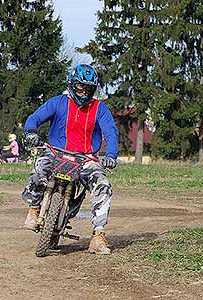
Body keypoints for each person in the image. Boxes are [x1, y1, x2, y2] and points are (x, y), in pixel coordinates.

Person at [21, 64, 118, 255]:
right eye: (80, 86)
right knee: (39, 167)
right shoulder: (57, 102)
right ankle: (33, 208)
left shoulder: (100, 108)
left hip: (86, 159)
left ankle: (98, 236)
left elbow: (111, 132)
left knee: (103, 185)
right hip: (55, 153)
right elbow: (35, 118)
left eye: (89, 88)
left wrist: (111, 156)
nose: (84, 91)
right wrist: (31, 131)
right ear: (72, 84)